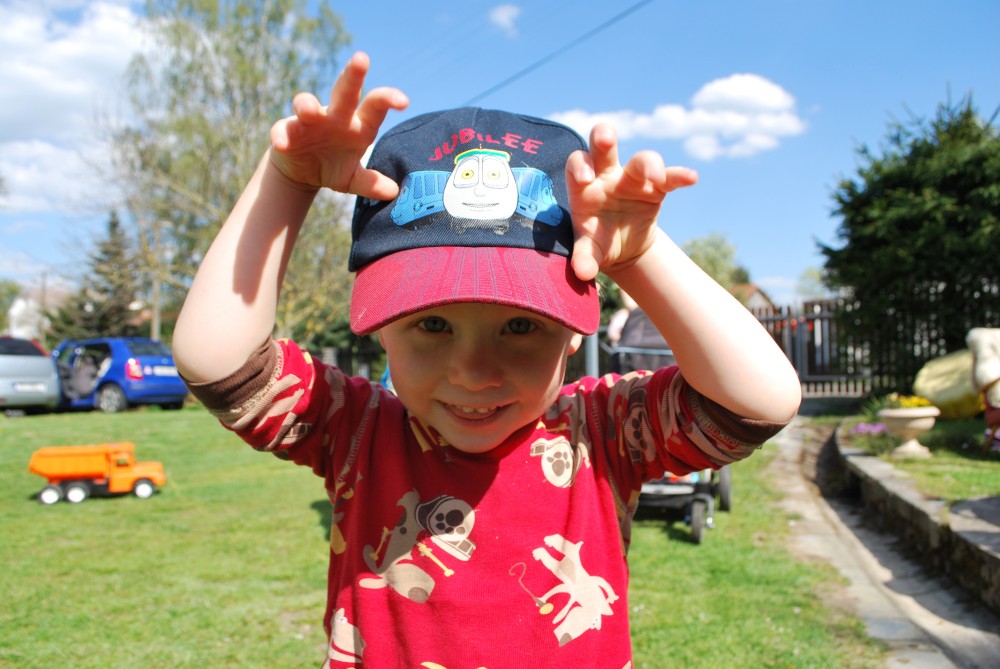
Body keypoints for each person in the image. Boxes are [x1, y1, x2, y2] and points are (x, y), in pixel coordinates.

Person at [172, 51, 801, 668]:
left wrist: (639, 256)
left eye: (521, 326)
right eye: (433, 324)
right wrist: (285, 183)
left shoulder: (603, 435)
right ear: (382, 328)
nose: (473, 372)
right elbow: (219, 364)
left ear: (573, 332)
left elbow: (758, 402)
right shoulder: (355, 431)